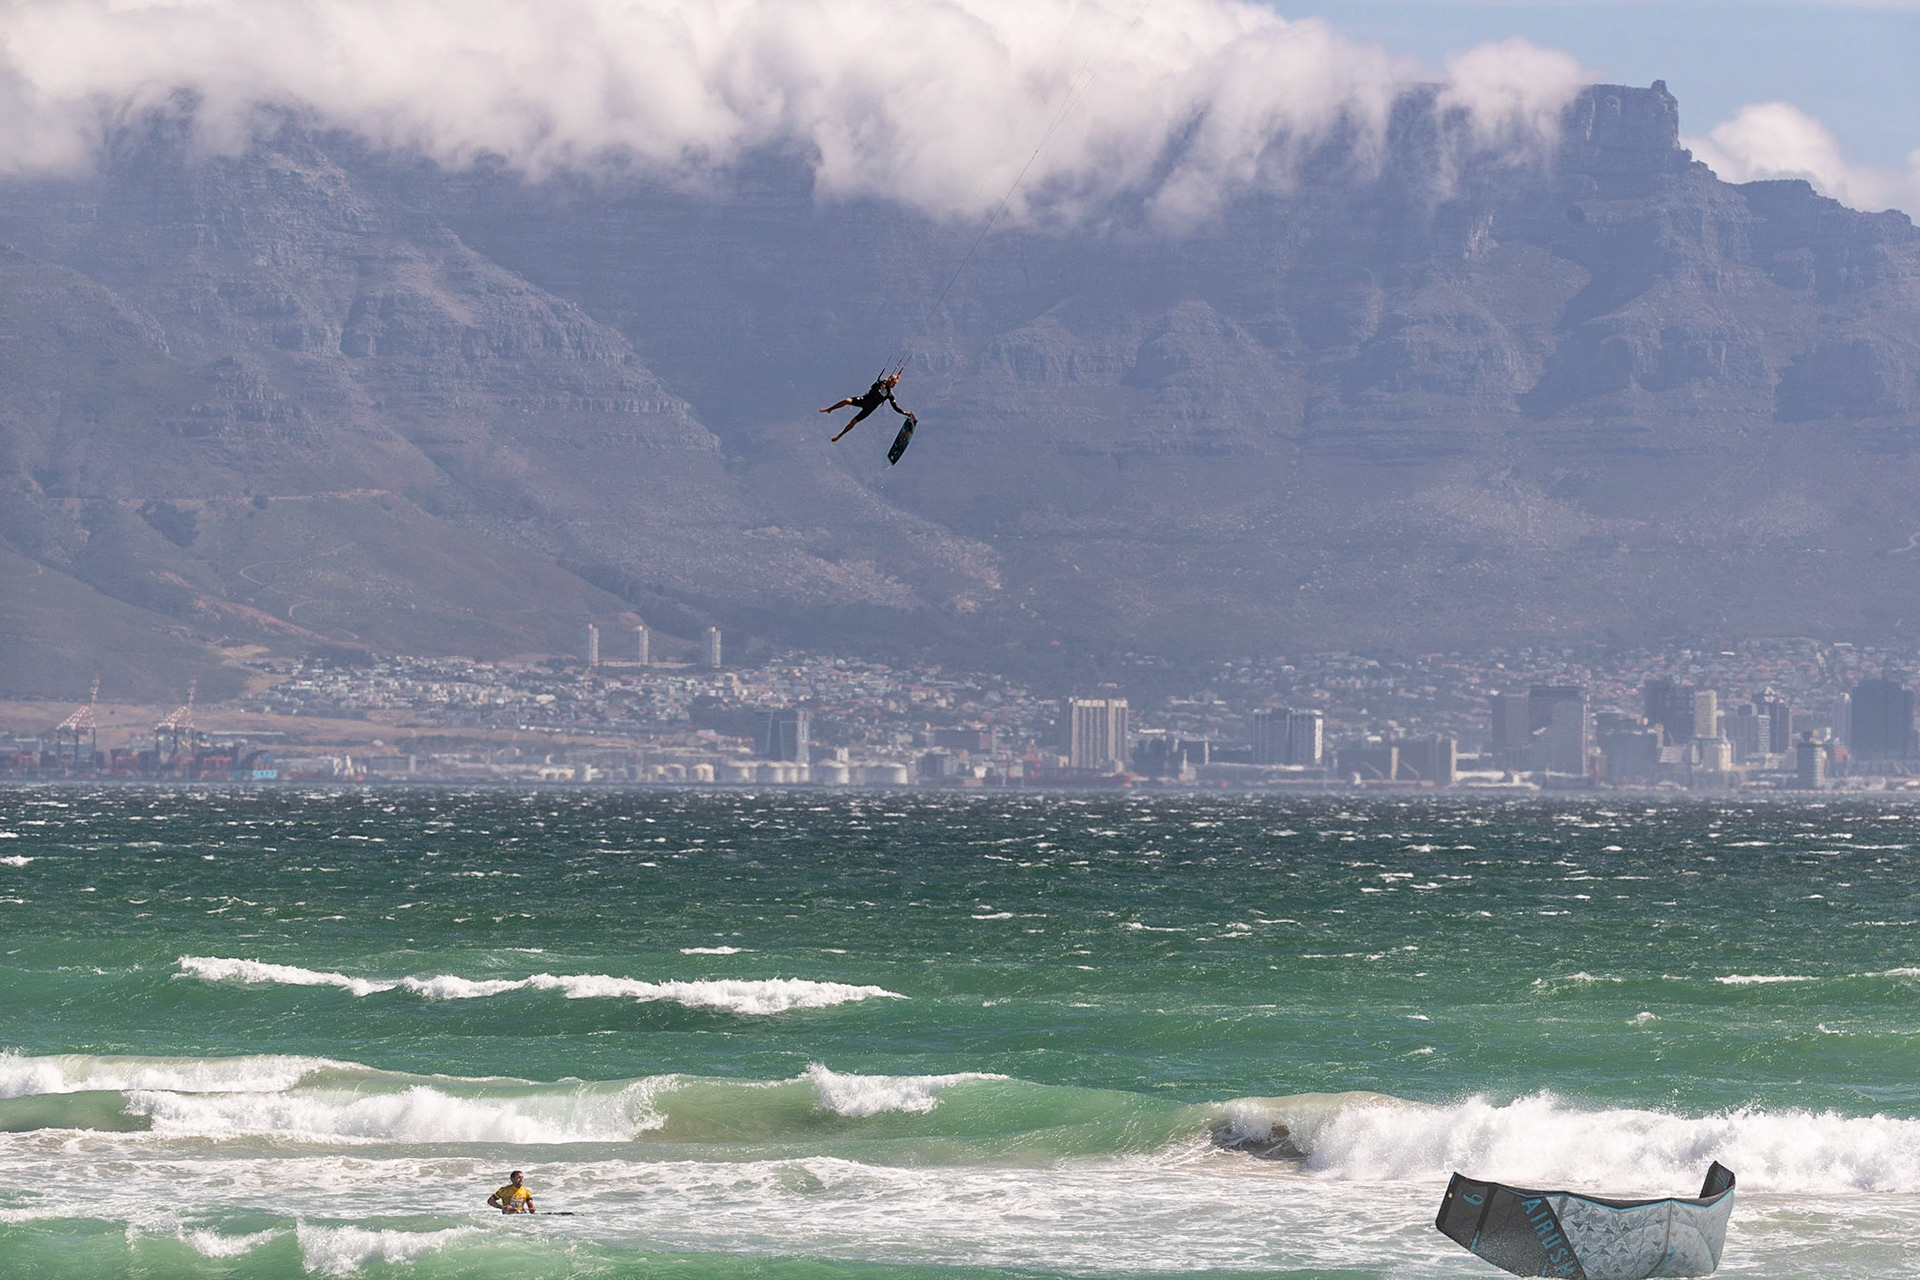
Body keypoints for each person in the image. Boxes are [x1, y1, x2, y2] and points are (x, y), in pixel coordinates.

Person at [821, 372, 910, 442]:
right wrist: (881, 383)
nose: (894, 386)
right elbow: (873, 386)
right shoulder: (881, 383)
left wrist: (905, 413)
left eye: (895, 384)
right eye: (894, 383)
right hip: (864, 400)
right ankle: (829, 409)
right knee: (847, 401)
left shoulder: (889, 395)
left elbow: (895, 407)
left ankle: (839, 435)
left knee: (853, 422)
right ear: (890, 381)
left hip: (869, 409)